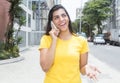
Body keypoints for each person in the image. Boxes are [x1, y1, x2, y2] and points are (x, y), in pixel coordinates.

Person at [39, 4, 100, 83]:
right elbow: (45, 67)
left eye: (63, 15)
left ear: (68, 18)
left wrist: (86, 68)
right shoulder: (46, 39)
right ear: (52, 22)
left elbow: (82, 70)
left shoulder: (81, 41)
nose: (61, 19)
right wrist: (54, 40)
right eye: (56, 17)